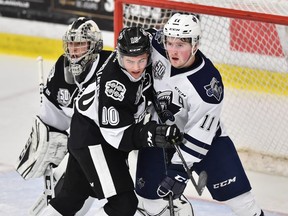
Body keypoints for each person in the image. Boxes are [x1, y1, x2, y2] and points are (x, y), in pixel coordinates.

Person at [38, 26, 183, 216]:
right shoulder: (115, 87)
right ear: (120, 56)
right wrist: (151, 134)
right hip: (94, 138)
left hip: (85, 128)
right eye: (130, 61)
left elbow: (156, 36)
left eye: (141, 60)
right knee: (123, 204)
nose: (136, 68)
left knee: (70, 198)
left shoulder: (143, 47)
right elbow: (117, 137)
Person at [135, 13, 265, 216]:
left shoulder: (207, 84)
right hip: (162, 133)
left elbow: (200, 133)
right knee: (147, 201)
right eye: (170, 43)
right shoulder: (156, 46)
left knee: (243, 204)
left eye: (180, 45)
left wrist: (179, 171)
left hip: (207, 143)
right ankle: (179, 209)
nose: (173, 51)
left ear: (195, 45)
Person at [15, 17, 112, 215]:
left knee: (122, 201)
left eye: (80, 44)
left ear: (95, 45)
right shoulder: (61, 68)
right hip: (84, 147)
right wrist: (44, 142)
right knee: (70, 196)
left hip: (116, 148)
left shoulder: (111, 65)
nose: (74, 50)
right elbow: (53, 117)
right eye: (71, 44)